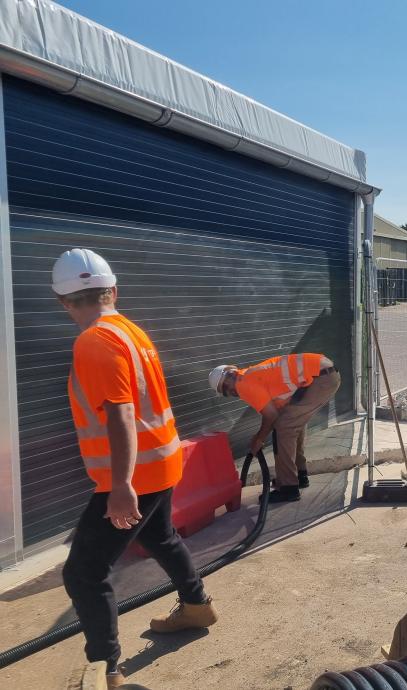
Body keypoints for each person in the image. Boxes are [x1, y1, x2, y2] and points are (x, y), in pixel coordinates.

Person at [53, 249, 218, 689]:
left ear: (63, 301)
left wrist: (121, 486)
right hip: (160, 463)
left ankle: (102, 671)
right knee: (159, 536)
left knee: (84, 572)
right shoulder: (130, 331)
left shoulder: (93, 340)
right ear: (113, 291)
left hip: (133, 477)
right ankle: (197, 605)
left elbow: (120, 413)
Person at [209, 354, 340, 503]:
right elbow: (276, 411)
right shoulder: (251, 375)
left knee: (284, 427)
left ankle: (289, 488)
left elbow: (271, 416)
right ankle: (298, 476)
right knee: (290, 420)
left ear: (227, 381)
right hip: (324, 373)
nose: (231, 394)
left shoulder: (243, 383)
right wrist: (260, 436)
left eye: (225, 391)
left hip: (321, 378)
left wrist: (259, 439)